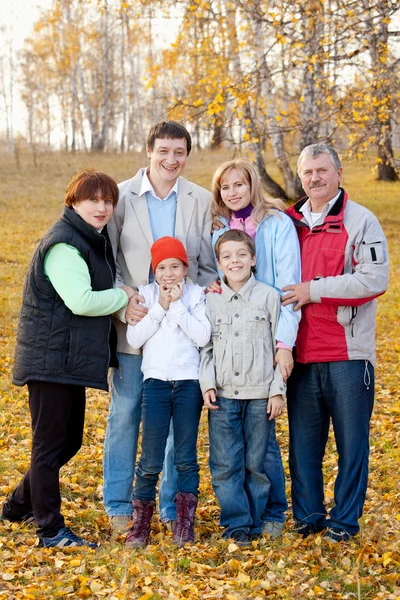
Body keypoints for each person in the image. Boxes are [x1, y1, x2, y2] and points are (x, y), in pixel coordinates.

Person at [1, 170, 135, 548]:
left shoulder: (90, 238)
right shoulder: (64, 244)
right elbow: (82, 300)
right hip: (50, 361)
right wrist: (123, 294)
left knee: (68, 441)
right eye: (93, 199)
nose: (102, 207)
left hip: (66, 360)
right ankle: (50, 530)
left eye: (108, 200)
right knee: (48, 446)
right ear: (73, 201)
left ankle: (17, 506)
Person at [104, 121, 218, 533]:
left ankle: (172, 509)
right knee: (127, 412)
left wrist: (205, 296)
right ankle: (119, 504)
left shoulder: (201, 199)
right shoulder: (120, 197)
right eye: (163, 151)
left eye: (179, 152)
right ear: (149, 150)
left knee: (176, 424)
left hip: (183, 340)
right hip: (136, 326)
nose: (171, 160)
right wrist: (124, 303)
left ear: (187, 155)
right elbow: (110, 262)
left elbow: (205, 264)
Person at [282, 143, 389, 542]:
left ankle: (343, 523)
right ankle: (308, 518)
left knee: (352, 447)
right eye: (308, 172)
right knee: (304, 447)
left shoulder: (361, 221)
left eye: (322, 171)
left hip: (347, 353)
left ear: (338, 173)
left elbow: (373, 279)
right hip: (299, 353)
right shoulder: (286, 222)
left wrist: (314, 290)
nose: (315, 178)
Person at [210, 159, 301, 537]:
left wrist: (284, 344)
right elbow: (209, 271)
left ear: (252, 186)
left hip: (268, 340)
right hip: (230, 346)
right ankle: (239, 520)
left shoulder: (277, 223)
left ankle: (273, 515)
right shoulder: (217, 228)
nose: (233, 192)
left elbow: (290, 290)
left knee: (263, 448)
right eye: (225, 187)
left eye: (239, 184)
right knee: (230, 455)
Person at [200, 229, 286, 547]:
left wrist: (277, 390)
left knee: (257, 462)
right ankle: (236, 524)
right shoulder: (210, 299)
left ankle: (262, 518)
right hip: (223, 396)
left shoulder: (268, 296)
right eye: (227, 256)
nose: (234, 261)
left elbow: (280, 347)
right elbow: (205, 348)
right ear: (219, 263)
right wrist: (206, 383)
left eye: (241, 255)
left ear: (253, 258)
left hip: (260, 395)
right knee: (225, 463)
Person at [124, 237, 211, 548]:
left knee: (186, 457)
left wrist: (176, 307)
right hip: (156, 384)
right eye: (162, 267)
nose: (169, 273)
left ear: (185, 269)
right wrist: (160, 307)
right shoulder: (146, 296)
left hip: (189, 384)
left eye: (175, 266)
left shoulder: (198, 295)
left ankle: (184, 524)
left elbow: (202, 336)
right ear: (154, 270)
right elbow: (135, 338)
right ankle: (141, 525)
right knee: (150, 459)